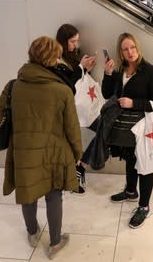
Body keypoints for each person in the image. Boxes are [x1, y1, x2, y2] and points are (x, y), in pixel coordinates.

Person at [0, 36, 82, 259]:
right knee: (53, 196)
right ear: (51, 59)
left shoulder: (13, 86)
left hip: (23, 152)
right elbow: (72, 129)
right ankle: (55, 243)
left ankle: (32, 233)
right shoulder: (62, 91)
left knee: (28, 194)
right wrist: (78, 153)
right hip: (54, 152)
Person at [102, 32, 153, 229]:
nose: (130, 52)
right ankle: (130, 191)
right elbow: (106, 94)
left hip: (144, 127)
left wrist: (133, 103)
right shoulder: (121, 70)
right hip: (125, 128)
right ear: (121, 53)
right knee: (130, 158)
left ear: (138, 47)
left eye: (132, 47)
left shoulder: (150, 72)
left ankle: (144, 207)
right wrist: (108, 74)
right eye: (125, 49)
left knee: (144, 166)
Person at [49, 23, 98, 195]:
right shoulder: (55, 59)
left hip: (82, 109)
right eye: (72, 41)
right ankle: (71, 176)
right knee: (68, 144)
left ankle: (81, 167)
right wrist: (80, 68)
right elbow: (67, 86)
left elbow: (80, 84)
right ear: (63, 41)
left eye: (77, 41)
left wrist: (86, 70)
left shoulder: (73, 55)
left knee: (103, 129)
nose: (75, 45)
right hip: (65, 111)